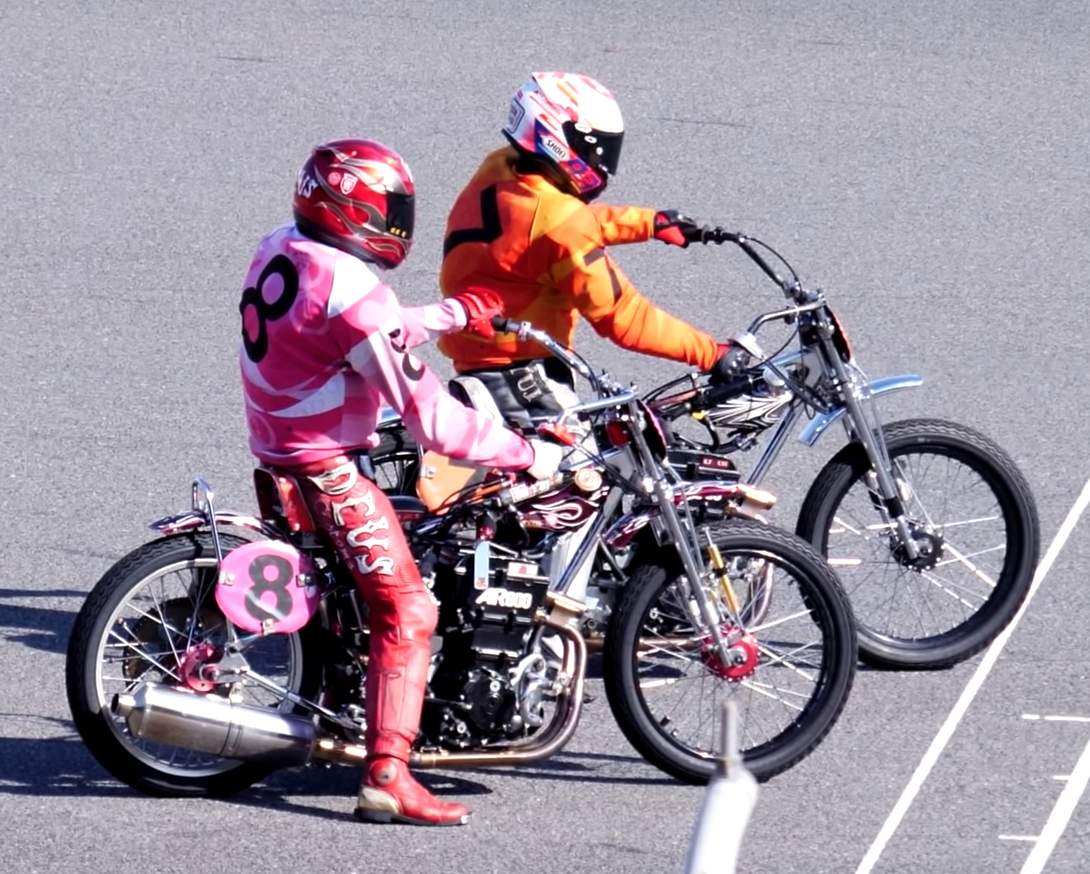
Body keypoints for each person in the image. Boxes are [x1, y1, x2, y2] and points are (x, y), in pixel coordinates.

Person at [237, 138, 562, 827]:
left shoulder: (285, 248)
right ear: (354, 207)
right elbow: (436, 424)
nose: (396, 226)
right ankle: (388, 773)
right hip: (323, 464)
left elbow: (350, 333)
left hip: (280, 441)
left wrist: (447, 316)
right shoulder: (356, 290)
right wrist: (525, 452)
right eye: (388, 211)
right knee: (409, 609)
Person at [435, 71, 739, 605]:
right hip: (523, 374)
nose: (602, 164)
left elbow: (568, 220)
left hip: (479, 357)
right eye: (596, 149)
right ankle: (559, 623)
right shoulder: (557, 224)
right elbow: (625, 319)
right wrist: (712, 354)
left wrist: (649, 223)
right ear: (559, 139)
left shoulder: (501, 170)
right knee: (584, 490)